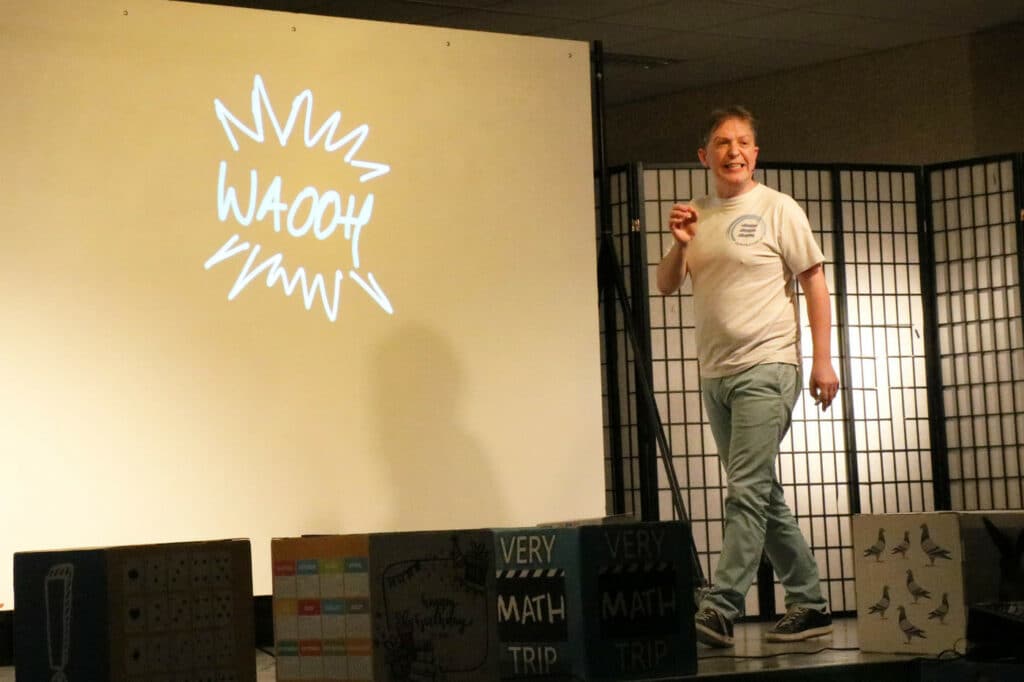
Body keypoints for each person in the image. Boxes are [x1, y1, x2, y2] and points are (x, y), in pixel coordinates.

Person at [655, 106, 840, 648]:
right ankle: (810, 604)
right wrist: (680, 243)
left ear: (755, 154)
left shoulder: (778, 208)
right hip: (716, 373)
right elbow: (666, 284)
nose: (733, 150)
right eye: (722, 142)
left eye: (742, 142)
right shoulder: (697, 214)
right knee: (761, 493)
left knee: (745, 491)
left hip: (769, 366)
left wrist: (823, 359)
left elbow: (814, 280)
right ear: (704, 155)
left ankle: (720, 606)